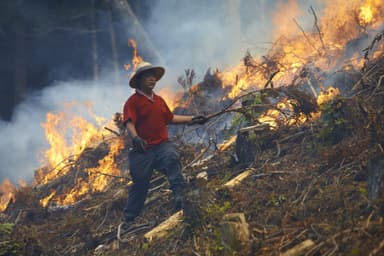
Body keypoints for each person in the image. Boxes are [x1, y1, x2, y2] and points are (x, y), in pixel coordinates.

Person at [121, 62, 207, 225]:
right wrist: (135, 138)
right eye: (148, 76)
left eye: (153, 76)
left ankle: (180, 198)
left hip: (161, 145)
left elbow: (170, 118)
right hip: (142, 150)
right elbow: (129, 122)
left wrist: (193, 119)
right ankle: (129, 220)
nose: (152, 79)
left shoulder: (159, 101)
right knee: (140, 184)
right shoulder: (132, 102)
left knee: (172, 159)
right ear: (139, 80)